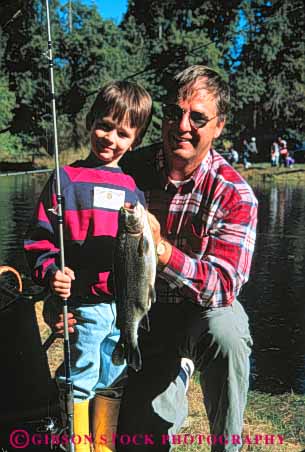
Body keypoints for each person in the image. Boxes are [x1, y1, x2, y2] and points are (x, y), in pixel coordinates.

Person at [56, 65, 258, 452]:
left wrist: (162, 251)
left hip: (199, 315)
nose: (182, 125)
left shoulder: (235, 194)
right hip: (138, 320)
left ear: (219, 126)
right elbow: (78, 236)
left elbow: (223, 286)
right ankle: (175, 373)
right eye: (173, 112)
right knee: (138, 442)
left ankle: (228, 446)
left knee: (229, 332)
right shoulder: (126, 168)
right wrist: (62, 293)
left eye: (198, 117)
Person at [24, 80, 152, 452]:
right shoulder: (66, 179)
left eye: (122, 133)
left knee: (113, 379)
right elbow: (39, 239)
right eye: (104, 125)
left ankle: (102, 445)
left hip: (125, 306)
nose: (110, 137)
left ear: (134, 140)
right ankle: (75, 445)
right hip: (85, 305)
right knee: (80, 377)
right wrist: (51, 273)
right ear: (90, 122)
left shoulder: (133, 189)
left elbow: (144, 251)